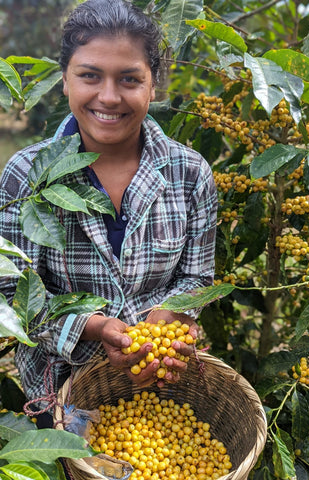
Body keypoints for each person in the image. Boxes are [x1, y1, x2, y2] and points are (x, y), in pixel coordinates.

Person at [0, 0, 217, 422]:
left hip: (160, 379)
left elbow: (197, 278)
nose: (109, 96)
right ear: (65, 80)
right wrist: (92, 328)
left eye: (130, 79)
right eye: (89, 76)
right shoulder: (26, 175)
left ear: (153, 87)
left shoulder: (190, 174)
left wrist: (172, 317)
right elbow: (11, 295)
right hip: (60, 384)